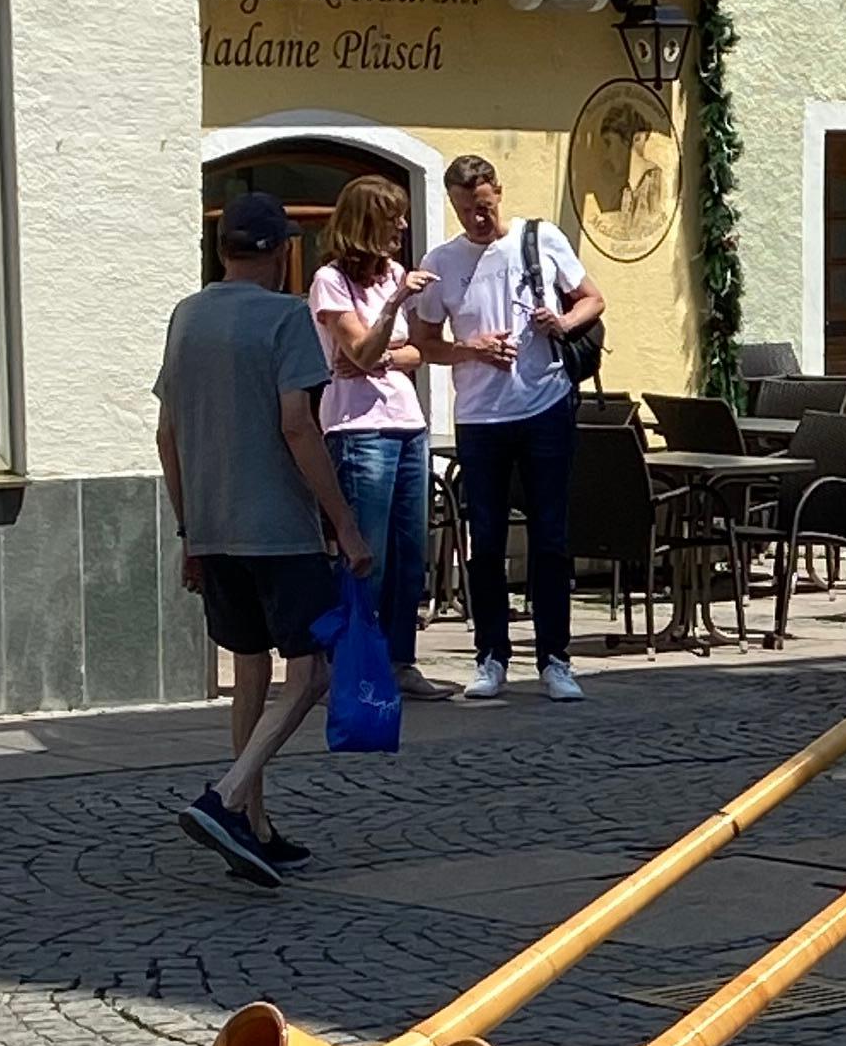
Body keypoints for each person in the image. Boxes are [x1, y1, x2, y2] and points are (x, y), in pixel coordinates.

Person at [154, 191, 374, 884]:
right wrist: (343, 523)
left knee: (249, 666)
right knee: (310, 672)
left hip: (213, 524)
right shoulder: (286, 319)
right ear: (281, 254)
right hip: (278, 526)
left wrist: (190, 527)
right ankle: (225, 797)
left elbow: (167, 435)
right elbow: (299, 426)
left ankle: (253, 824)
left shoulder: (187, 316)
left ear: (222, 252)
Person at [406, 152, 602, 704]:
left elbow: (594, 298)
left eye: (485, 207)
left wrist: (560, 323)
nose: (478, 220)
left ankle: (555, 660)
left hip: (544, 405)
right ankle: (491, 656)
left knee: (550, 536)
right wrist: (472, 347)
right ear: (454, 205)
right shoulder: (441, 261)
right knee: (486, 540)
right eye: (467, 210)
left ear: (499, 193)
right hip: (480, 417)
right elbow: (424, 342)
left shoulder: (538, 239)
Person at [308, 174, 443, 700]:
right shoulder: (330, 282)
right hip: (358, 429)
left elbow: (414, 354)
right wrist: (388, 316)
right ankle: (350, 663)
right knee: (368, 554)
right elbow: (358, 352)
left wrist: (381, 351)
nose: (403, 228)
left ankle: (401, 660)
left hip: (407, 424)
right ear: (368, 223)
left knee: (410, 553)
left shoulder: (396, 273)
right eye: (393, 218)